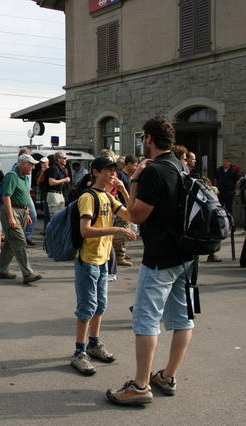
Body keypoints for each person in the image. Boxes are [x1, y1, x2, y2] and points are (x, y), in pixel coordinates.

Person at [107, 116, 194, 406]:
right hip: (185, 254)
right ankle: (167, 376)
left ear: (148, 139)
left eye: (143, 138)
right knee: (182, 319)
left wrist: (133, 181)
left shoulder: (154, 171)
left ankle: (141, 385)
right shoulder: (180, 165)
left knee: (145, 319)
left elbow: (135, 215)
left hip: (160, 257)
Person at [70, 155, 135, 377]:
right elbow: (85, 231)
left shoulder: (108, 197)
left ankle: (94, 344)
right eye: (107, 170)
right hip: (88, 260)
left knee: (100, 305)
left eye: (114, 170)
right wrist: (115, 230)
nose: (112, 174)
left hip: (103, 260)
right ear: (96, 172)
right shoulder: (89, 197)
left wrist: (125, 191)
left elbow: (131, 214)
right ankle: (79, 351)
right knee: (87, 307)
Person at [0, 154, 42, 285]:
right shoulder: (12, 176)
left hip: (21, 211)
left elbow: (23, 195)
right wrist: (11, 217)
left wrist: (27, 213)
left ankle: (1, 270)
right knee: (20, 241)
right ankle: (27, 273)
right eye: (31, 164)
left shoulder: (25, 177)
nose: (33, 167)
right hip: (12, 211)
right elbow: (6, 197)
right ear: (22, 164)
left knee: (10, 242)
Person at [113, 154, 137, 267]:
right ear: (129, 164)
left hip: (125, 206)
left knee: (124, 232)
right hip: (120, 207)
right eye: (135, 165)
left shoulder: (127, 176)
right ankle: (119, 256)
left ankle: (120, 254)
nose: (136, 168)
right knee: (121, 233)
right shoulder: (120, 175)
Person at [46, 151, 70, 225]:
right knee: (54, 218)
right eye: (64, 158)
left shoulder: (61, 169)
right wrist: (64, 180)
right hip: (53, 194)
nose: (66, 160)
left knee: (61, 217)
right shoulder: (54, 168)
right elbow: (51, 182)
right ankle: (52, 235)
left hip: (60, 194)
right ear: (58, 159)